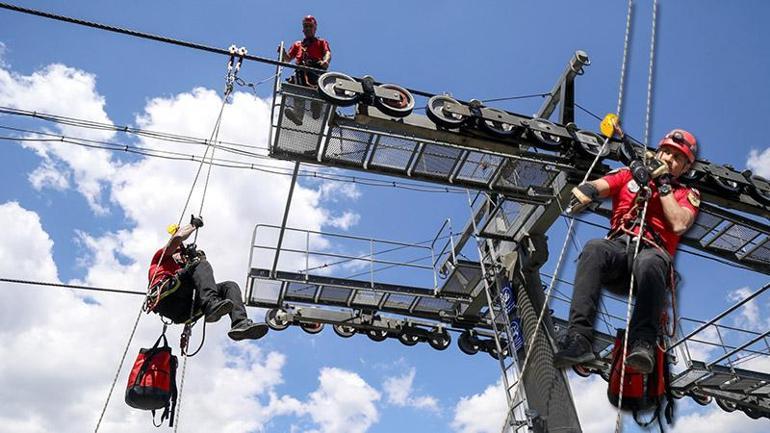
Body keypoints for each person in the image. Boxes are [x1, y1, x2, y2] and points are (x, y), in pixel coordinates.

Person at [554, 129, 701, 374]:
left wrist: (663, 185)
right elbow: (602, 185)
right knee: (594, 248)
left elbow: (678, 223)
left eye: (677, 158)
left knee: (651, 262)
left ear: (685, 168)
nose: (668, 159)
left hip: (652, 261)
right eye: (666, 152)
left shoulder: (686, 194)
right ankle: (579, 338)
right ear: (657, 152)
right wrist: (588, 190)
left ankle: (642, 343)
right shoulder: (630, 175)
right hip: (619, 254)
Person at [146, 216, 268, 341]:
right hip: (167, 298)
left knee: (230, 286)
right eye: (180, 254)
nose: (183, 257)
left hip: (185, 310)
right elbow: (177, 239)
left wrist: (197, 258)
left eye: (185, 256)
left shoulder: (187, 270)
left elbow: (202, 276)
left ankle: (240, 323)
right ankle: (211, 304)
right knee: (199, 265)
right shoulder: (162, 258)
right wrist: (193, 225)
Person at [277, 15, 332, 125]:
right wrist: (282, 52)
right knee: (298, 88)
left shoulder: (321, 42)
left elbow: (327, 53)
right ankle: (298, 115)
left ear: (315, 28)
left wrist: (325, 61)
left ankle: (317, 107)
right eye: (306, 26)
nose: (308, 29)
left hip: (316, 69)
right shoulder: (298, 45)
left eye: (310, 26)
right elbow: (287, 59)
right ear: (303, 29)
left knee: (319, 85)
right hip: (301, 71)